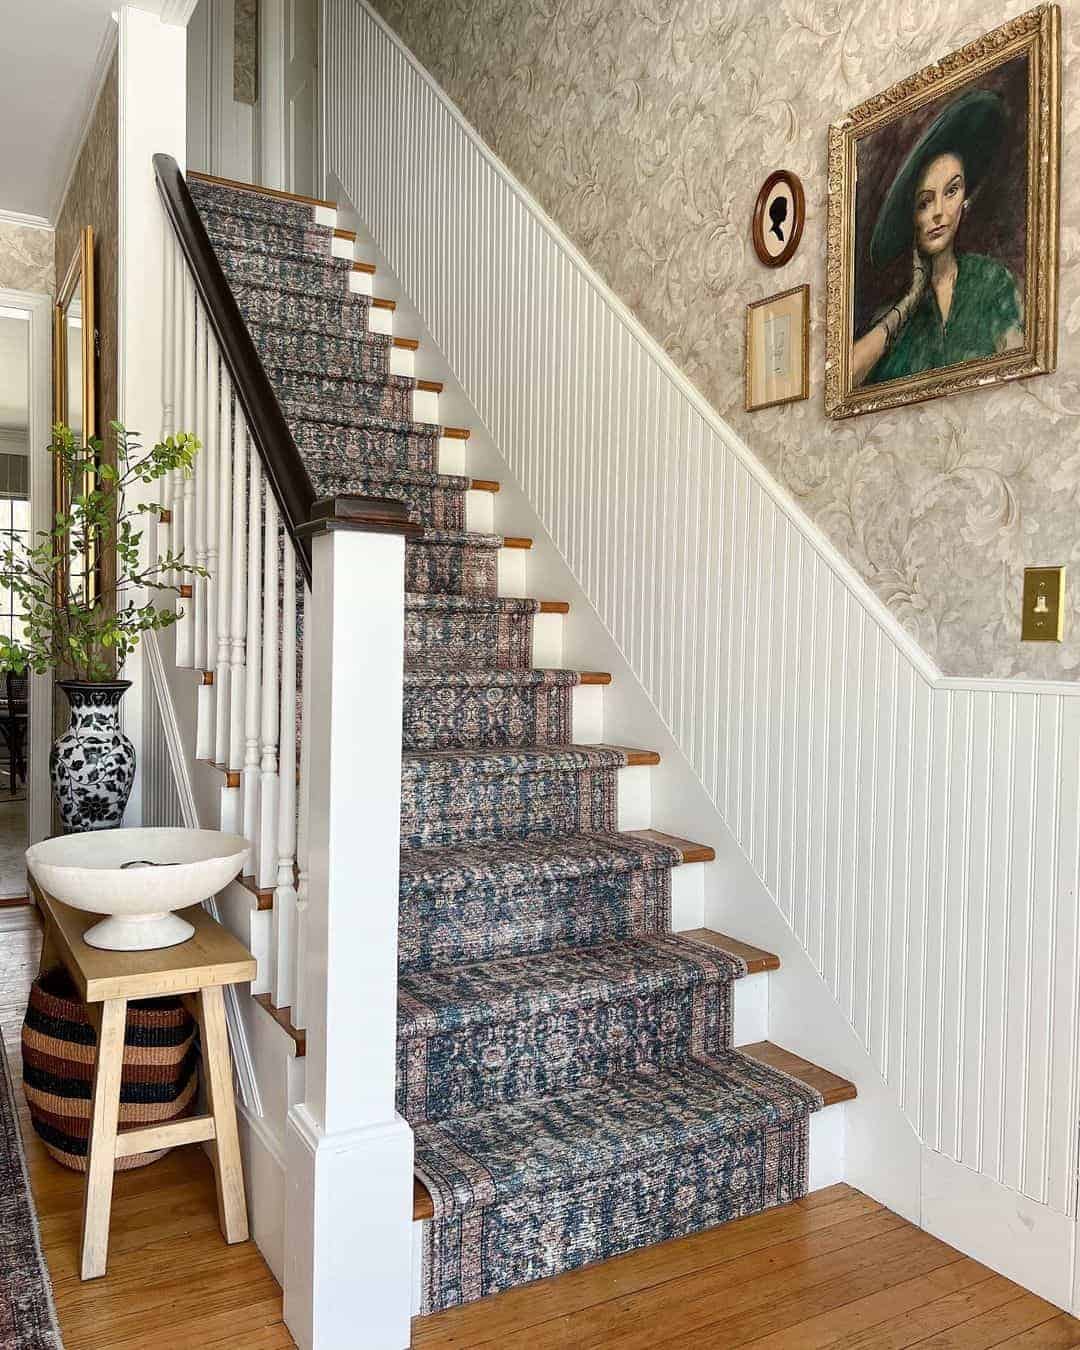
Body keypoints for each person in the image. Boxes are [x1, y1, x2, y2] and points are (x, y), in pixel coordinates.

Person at [851, 88, 1023, 387]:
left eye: (951, 191)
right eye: (924, 202)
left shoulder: (992, 281)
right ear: (911, 218)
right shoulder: (892, 317)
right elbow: (846, 378)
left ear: (965, 200)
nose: (939, 213)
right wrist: (911, 300)